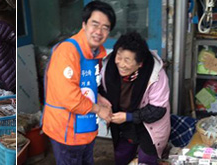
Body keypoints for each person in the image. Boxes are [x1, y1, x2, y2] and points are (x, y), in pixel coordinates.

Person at [42, 2, 116, 164]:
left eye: (105, 27)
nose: (99, 32)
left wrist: (100, 98)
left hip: (85, 128)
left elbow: (87, 86)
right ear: (84, 24)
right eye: (95, 24)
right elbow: (69, 97)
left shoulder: (95, 53)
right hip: (66, 131)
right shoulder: (67, 52)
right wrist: (99, 110)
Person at [100, 32, 171, 165]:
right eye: (119, 57)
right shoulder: (109, 67)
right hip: (122, 125)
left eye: (127, 60)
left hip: (149, 126)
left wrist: (128, 117)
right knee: (121, 156)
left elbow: (158, 110)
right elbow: (101, 90)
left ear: (140, 64)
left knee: (146, 160)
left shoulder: (155, 75)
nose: (120, 64)